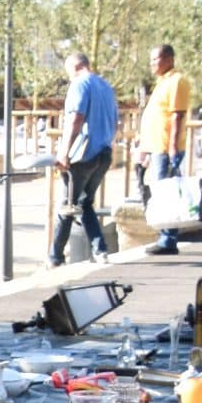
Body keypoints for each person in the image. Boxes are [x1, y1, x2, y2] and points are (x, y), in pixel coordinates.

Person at [49, 53, 118, 266]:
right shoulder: (105, 86)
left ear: (74, 67)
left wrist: (64, 152)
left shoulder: (79, 84)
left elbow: (76, 119)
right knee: (85, 202)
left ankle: (55, 257)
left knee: (67, 205)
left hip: (83, 155)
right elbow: (116, 123)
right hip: (104, 152)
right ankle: (100, 249)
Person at [137, 44, 193, 253]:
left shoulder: (177, 81)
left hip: (166, 147)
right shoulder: (162, 82)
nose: (152, 64)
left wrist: (172, 147)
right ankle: (165, 235)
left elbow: (177, 115)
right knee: (160, 192)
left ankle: (168, 239)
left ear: (169, 59)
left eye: (156, 59)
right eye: (151, 60)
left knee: (166, 192)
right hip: (156, 146)